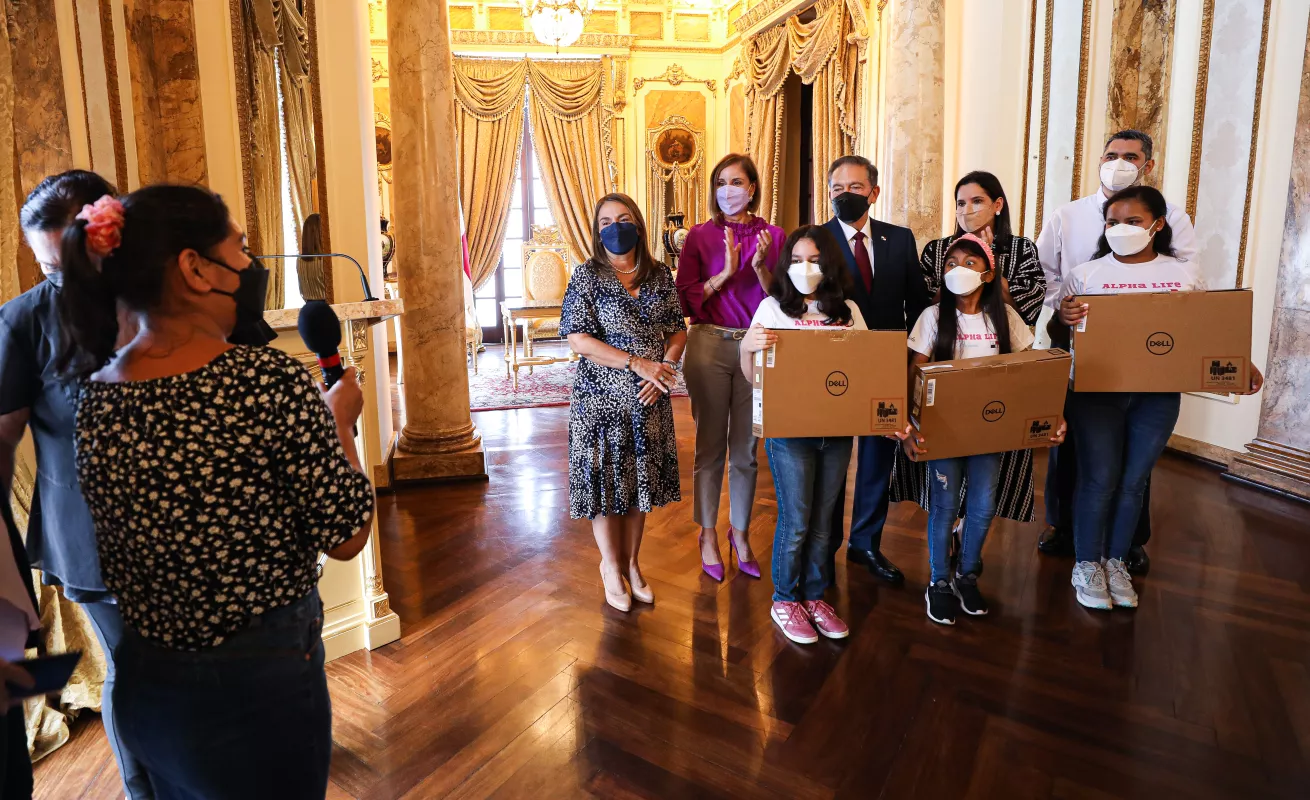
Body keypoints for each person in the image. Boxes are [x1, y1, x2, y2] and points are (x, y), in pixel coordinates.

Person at [56, 185, 375, 796]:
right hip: (262, 682)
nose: (251, 266)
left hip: (150, 680)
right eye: (242, 248)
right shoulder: (266, 381)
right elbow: (347, 535)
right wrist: (338, 420)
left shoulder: (94, 397)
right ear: (194, 267)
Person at [0, 170, 155, 799]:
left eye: (60, 263)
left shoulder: (160, 297)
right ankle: (144, 790)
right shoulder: (23, 322)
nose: (54, 279)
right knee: (136, 667)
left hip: (183, 521)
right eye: (44, 268)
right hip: (89, 537)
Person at [1051, 186, 1261, 610]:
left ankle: (1115, 561)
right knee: (1099, 478)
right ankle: (1087, 563)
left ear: (1158, 224)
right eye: (1112, 222)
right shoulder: (1086, 275)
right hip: (1096, 394)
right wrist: (1063, 314)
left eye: (1133, 221)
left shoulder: (1182, 276)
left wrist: (1242, 364)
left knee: (1134, 482)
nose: (1121, 229)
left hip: (1157, 396)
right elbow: (1061, 338)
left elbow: (1200, 332)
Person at [1035, 130, 1198, 573]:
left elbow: (1198, 309)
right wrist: (1063, 310)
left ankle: (1124, 548)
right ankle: (1067, 532)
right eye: (1111, 155)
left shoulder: (1174, 238)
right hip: (1090, 367)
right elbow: (1046, 272)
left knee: (1132, 474)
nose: (1119, 162)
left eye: (1131, 156)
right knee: (1082, 463)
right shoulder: (1070, 220)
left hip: (1152, 380)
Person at [902, 234, 1064, 625]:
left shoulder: (1006, 319)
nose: (959, 269)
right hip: (941, 432)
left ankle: (968, 573)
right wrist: (908, 428)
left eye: (970, 263)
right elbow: (913, 373)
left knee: (983, 505)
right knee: (943, 507)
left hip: (990, 430)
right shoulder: (932, 318)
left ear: (989, 274)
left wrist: (1051, 415)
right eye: (951, 263)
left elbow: (1030, 371)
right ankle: (939, 581)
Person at [893, 171, 1048, 527]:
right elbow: (927, 308)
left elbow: (1026, 309)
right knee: (943, 486)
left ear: (997, 205)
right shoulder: (937, 249)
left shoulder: (1020, 249)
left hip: (997, 390)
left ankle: (970, 545)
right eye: (961, 203)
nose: (967, 210)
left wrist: (989, 265)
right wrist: (958, 272)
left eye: (977, 201)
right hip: (944, 385)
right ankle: (942, 546)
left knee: (986, 485)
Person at [561, 193, 687, 612]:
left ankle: (633, 565)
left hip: (650, 399)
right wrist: (638, 364)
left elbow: (677, 331)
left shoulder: (659, 275)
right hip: (600, 401)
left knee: (639, 486)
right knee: (604, 488)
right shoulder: (586, 276)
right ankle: (610, 567)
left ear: (638, 224)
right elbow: (579, 339)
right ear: (598, 232)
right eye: (606, 222)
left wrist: (663, 371)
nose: (615, 227)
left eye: (624, 218)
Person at [740, 226, 863, 644]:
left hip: (837, 431)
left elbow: (866, 371)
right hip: (789, 432)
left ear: (828, 264)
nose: (804, 268)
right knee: (796, 520)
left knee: (825, 521)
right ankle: (785, 598)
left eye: (813, 260)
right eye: (795, 260)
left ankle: (814, 596)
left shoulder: (848, 312)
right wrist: (746, 348)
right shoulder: (772, 309)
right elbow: (751, 377)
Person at [822, 155, 931, 586]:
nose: (845, 195)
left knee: (877, 458)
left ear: (874, 191)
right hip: (832, 370)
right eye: (837, 188)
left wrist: (915, 361)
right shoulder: (814, 240)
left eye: (854, 187)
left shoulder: (899, 239)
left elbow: (919, 304)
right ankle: (824, 545)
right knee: (830, 460)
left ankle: (865, 543)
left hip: (887, 365)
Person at [674, 154, 784, 582]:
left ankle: (740, 534)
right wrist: (726, 273)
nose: (728, 190)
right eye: (721, 182)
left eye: (736, 181)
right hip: (708, 345)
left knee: (746, 450)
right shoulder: (699, 237)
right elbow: (685, 297)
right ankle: (706, 534)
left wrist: (758, 270)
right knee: (709, 448)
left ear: (753, 187)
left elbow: (785, 300)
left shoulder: (775, 236)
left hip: (757, 347)